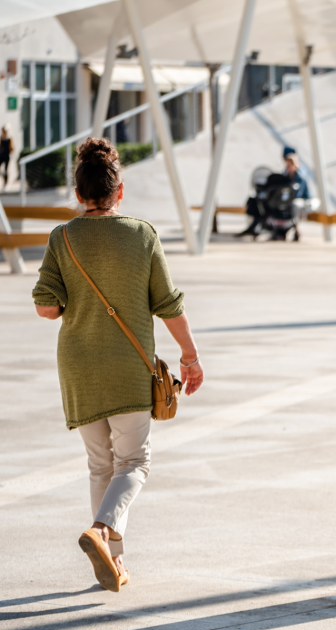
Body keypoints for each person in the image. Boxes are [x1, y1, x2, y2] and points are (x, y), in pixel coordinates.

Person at [31, 137, 205, 593]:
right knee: (134, 462)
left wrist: (76, 297)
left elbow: (46, 308)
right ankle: (102, 529)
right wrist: (189, 356)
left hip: (79, 367)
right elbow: (168, 304)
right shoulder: (141, 235)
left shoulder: (62, 237)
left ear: (78, 191)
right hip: (128, 366)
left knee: (100, 466)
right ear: (118, 191)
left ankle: (115, 561)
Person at [0, 125, 12, 190]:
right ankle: (4, 180)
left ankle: (6, 183)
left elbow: (11, 148)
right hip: (1, 156)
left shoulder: (9, 139)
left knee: (6, 170)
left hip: (6, 156)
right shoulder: (1, 138)